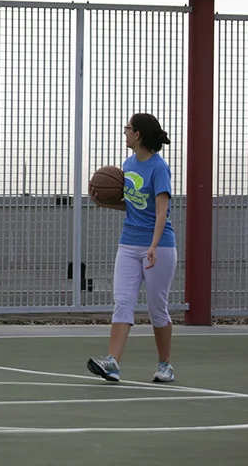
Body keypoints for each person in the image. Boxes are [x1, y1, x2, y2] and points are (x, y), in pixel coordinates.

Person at [87, 112, 178, 384]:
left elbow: (161, 212)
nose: (124, 132)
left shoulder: (159, 168)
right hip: (128, 243)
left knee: (156, 308)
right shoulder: (128, 165)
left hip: (159, 246)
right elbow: (133, 205)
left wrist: (152, 246)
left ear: (138, 135)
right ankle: (112, 362)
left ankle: (165, 365)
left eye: (128, 128)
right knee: (123, 301)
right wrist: (105, 203)